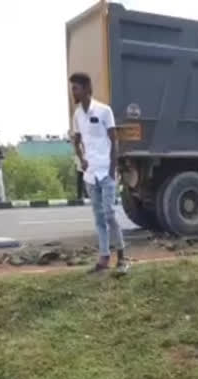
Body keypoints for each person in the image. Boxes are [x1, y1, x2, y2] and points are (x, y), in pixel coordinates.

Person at [69, 72, 128, 274]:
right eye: (72, 88)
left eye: (75, 88)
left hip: (106, 172)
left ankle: (122, 257)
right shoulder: (77, 115)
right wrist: (81, 158)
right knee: (98, 217)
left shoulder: (104, 111)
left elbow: (114, 140)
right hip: (90, 174)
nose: (73, 92)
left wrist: (113, 169)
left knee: (110, 213)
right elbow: (76, 140)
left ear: (86, 89)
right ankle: (104, 258)